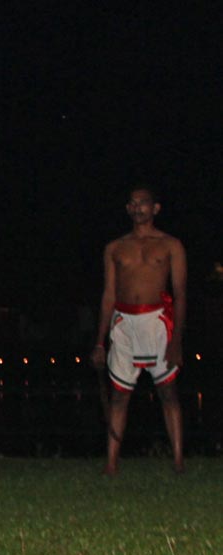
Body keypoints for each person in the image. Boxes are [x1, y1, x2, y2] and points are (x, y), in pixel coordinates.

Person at [91, 185, 186, 476]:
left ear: (155, 208)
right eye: (132, 203)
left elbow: (180, 292)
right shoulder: (115, 247)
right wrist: (99, 342)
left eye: (143, 203)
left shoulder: (171, 245)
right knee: (119, 395)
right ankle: (111, 463)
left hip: (157, 320)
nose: (137, 208)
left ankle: (179, 460)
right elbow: (108, 294)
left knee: (167, 392)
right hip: (124, 322)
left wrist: (177, 341)